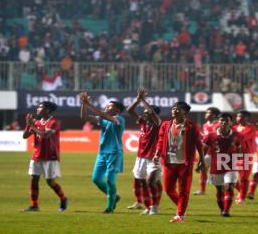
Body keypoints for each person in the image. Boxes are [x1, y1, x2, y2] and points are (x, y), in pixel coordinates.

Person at [153, 101, 206, 223]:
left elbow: (199, 144)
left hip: (184, 163)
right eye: (173, 108)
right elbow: (161, 140)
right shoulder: (166, 125)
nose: (174, 110)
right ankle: (181, 207)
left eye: (178, 109)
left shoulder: (192, 126)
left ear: (185, 112)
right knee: (168, 189)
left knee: (183, 190)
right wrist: (157, 153)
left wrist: (202, 161)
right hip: (169, 162)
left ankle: (180, 215)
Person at [80, 91, 125, 214]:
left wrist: (89, 104)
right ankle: (114, 196)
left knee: (110, 180)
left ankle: (110, 207)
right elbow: (85, 117)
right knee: (96, 179)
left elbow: (101, 114)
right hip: (102, 154)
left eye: (110, 106)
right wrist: (84, 104)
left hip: (114, 153)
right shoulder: (103, 119)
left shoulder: (119, 119)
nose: (107, 106)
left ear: (117, 110)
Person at [22, 101, 67, 212]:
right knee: (34, 179)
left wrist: (33, 126)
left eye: (40, 107)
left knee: (50, 182)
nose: (37, 108)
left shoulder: (53, 122)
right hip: (37, 155)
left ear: (47, 110)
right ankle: (34, 205)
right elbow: (24, 136)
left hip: (50, 156)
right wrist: (29, 125)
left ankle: (63, 199)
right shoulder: (37, 122)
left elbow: (46, 136)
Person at [126, 87, 163, 215]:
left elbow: (152, 113)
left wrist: (143, 100)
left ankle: (155, 206)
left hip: (153, 157)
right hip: (141, 157)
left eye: (146, 113)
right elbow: (129, 110)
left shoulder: (158, 124)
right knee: (142, 181)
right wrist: (137, 100)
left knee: (151, 182)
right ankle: (148, 207)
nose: (143, 114)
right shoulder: (143, 122)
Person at [203, 113, 242, 217]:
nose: (224, 122)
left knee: (229, 187)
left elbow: (239, 149)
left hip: (231, 165)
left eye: (227, 120)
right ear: (218, 122)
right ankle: (222, 209)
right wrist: (201, 162)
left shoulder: (237, 135)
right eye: (221, 120)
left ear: (231, 122)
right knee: (219, 189)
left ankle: (226, 210)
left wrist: (240, 158)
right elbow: (204, 149)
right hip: (216, 166)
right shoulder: (210, 135)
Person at [193, 107, 221, 195]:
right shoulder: (205, 125)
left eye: (208, 112)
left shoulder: (218, 125)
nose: (206, 114)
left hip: (217, 153)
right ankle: (202, 190)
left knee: (222, 173)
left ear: (214, 115)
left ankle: (239, 190)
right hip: (207, 152)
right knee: (203, 169)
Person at [232, 110, 258, 204]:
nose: (237, 118)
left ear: (246, 118)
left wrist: (232, 135)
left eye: (240, 116)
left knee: (243, 178)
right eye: (237, 116)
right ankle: (242, 192)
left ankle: (241, 198)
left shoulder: (251, 128)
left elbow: (242, 137)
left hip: (246, 156)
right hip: (233, 156)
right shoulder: (234, 127)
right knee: (231, 177)